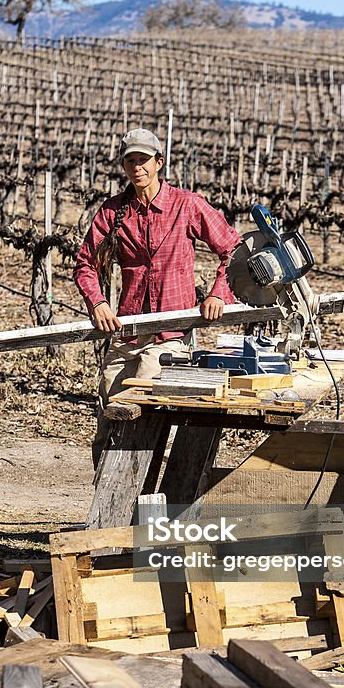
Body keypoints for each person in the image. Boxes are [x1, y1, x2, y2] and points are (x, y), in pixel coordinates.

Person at [74, 128, 241, 469]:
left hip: (171, 335)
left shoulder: (186, 205)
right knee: (109, 412)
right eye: (130, 161)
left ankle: (141, 501)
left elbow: (234, 250)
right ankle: (106, 501)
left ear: (159, 163)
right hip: (128, 330)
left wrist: (217, 294)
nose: (138, 168)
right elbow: (84, 264)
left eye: (144, 160)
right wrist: (98, 303)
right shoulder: (113, 212)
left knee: (142, 405)